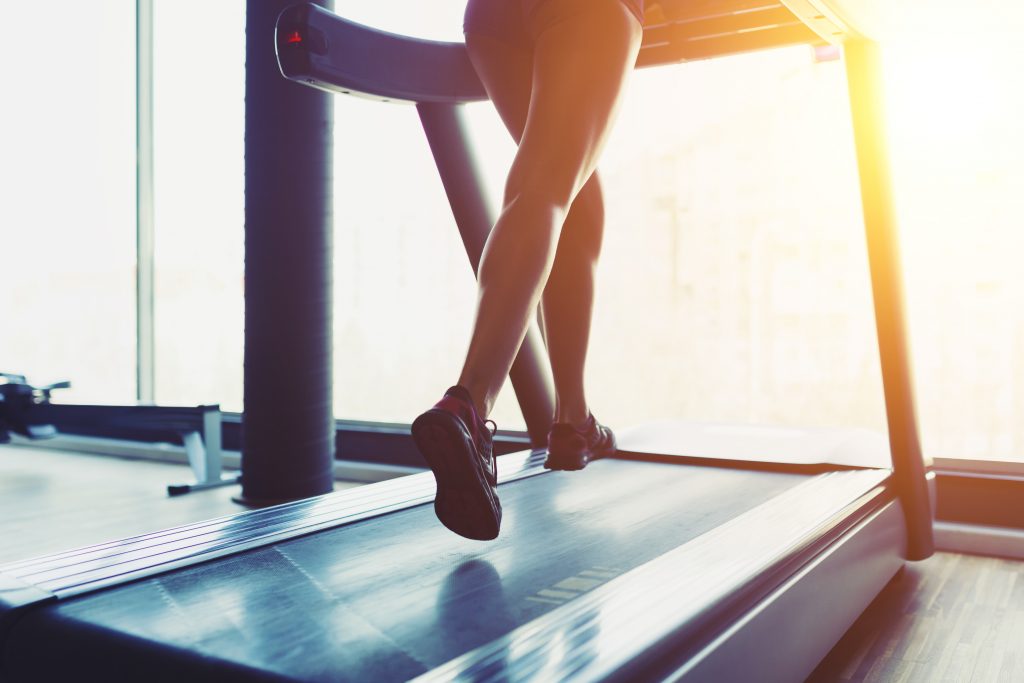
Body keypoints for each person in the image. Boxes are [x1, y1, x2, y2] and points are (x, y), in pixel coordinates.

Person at [411, 0, 644, 540]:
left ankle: (573, 422)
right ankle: (469, 403)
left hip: (492, 18)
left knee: (574, 199)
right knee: (545, 190)